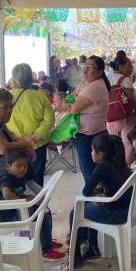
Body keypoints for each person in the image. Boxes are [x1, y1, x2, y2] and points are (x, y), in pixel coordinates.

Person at [55, 133, 131, 271]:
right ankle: (90, 246)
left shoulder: (102, 167)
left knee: (75, 212)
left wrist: (97, 193)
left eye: (92, 150)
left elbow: (86, 191)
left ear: (100, 154)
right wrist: (101, 193)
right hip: (126, 208)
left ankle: (75, 254)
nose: (90, 153)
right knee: (88, 207)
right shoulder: (118, 162)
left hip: (116, 213)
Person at [56, 55, 110, 185]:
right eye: (84, 67)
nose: (84, 71)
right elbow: (70, 97)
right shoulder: (86, 83)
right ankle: (93, 200)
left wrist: (66, 104)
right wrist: (67, 103)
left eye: (89, 68)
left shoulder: (94, 87)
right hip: (86, 134)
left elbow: (73, 108)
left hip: (88, 136)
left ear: (100, 72)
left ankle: (92, 201)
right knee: (90, 172)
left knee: (90, 173)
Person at [7, 63, 55, 186]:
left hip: (14, 146)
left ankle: (21, 202)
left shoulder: (6, 97)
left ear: (13, 78)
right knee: (36, 179)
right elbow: (49, 120)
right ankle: (37, 203)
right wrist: (36, 136)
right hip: (37, 145)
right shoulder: (39, 96)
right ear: (30, 78)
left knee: (15, 179)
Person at [106, 51, 136, 165]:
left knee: (114, 146)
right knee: (128, 146)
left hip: (110, 119)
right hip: (125, 118)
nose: (132, 68)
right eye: (129, 65)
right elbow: (131, 100)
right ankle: (126, 169)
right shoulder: (125, 79)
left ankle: (116, 168)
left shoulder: (107, 77)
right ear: (121, 67)